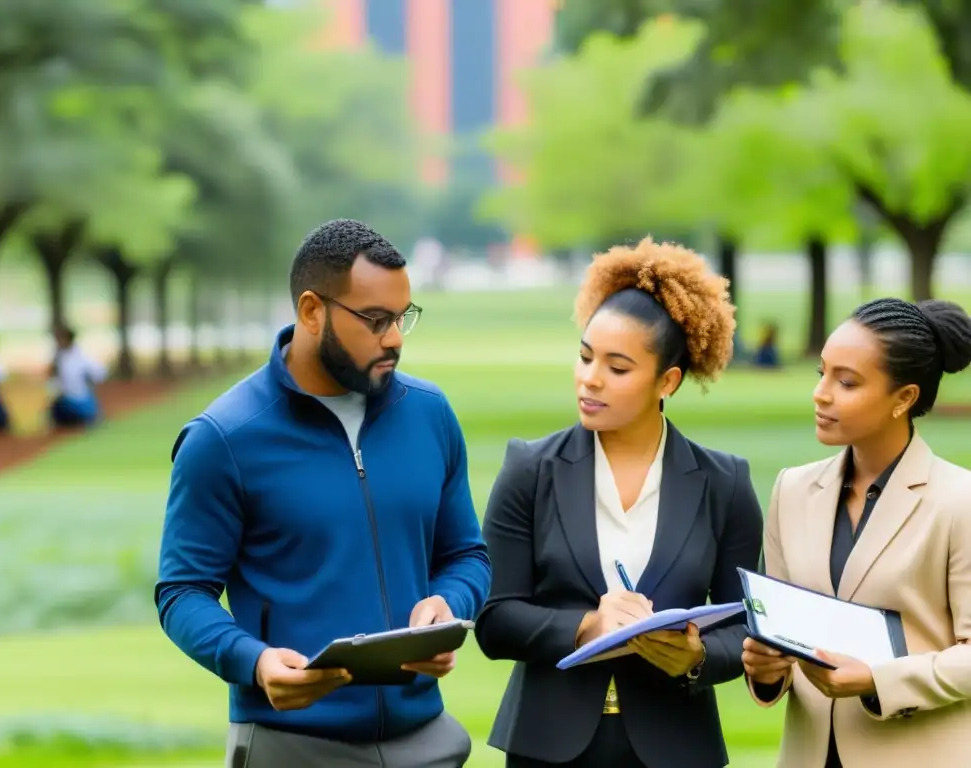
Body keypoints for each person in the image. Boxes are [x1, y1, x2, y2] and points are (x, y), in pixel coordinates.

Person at [154, 219, 490, 768]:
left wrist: (451, 603)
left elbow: (465, 555)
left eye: (403, 317)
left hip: (428, 741)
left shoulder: (431, 415)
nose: (396, 338)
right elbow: (182, 592)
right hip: (290, 745)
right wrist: (255, 662)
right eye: (376, 320)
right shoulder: (224, 439)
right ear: (312, 311)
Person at [475, 237, 765, 767]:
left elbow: (748, 623)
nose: (590, 378)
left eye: (618, 367)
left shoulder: (723, 482)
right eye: (585, 357)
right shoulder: (529, 470)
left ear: (668, 382)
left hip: (677, 749)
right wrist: (587, 626)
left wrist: (696, 657)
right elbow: (494, 620)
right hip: (546, 749)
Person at [742, 298, 971, 768]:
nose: (821, 394)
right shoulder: (792, 489)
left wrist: (878, 680)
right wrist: (766, 670)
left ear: (904, 398)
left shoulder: (958, 500)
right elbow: (781, 630)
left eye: (846, 382)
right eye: (821, 373)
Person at [47, 325, 107, 427]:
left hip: (81, 399)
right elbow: (54, 383)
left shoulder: (81, 357)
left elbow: (100, 373)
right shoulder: (58, 358)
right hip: (65, 399)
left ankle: (89, 415)